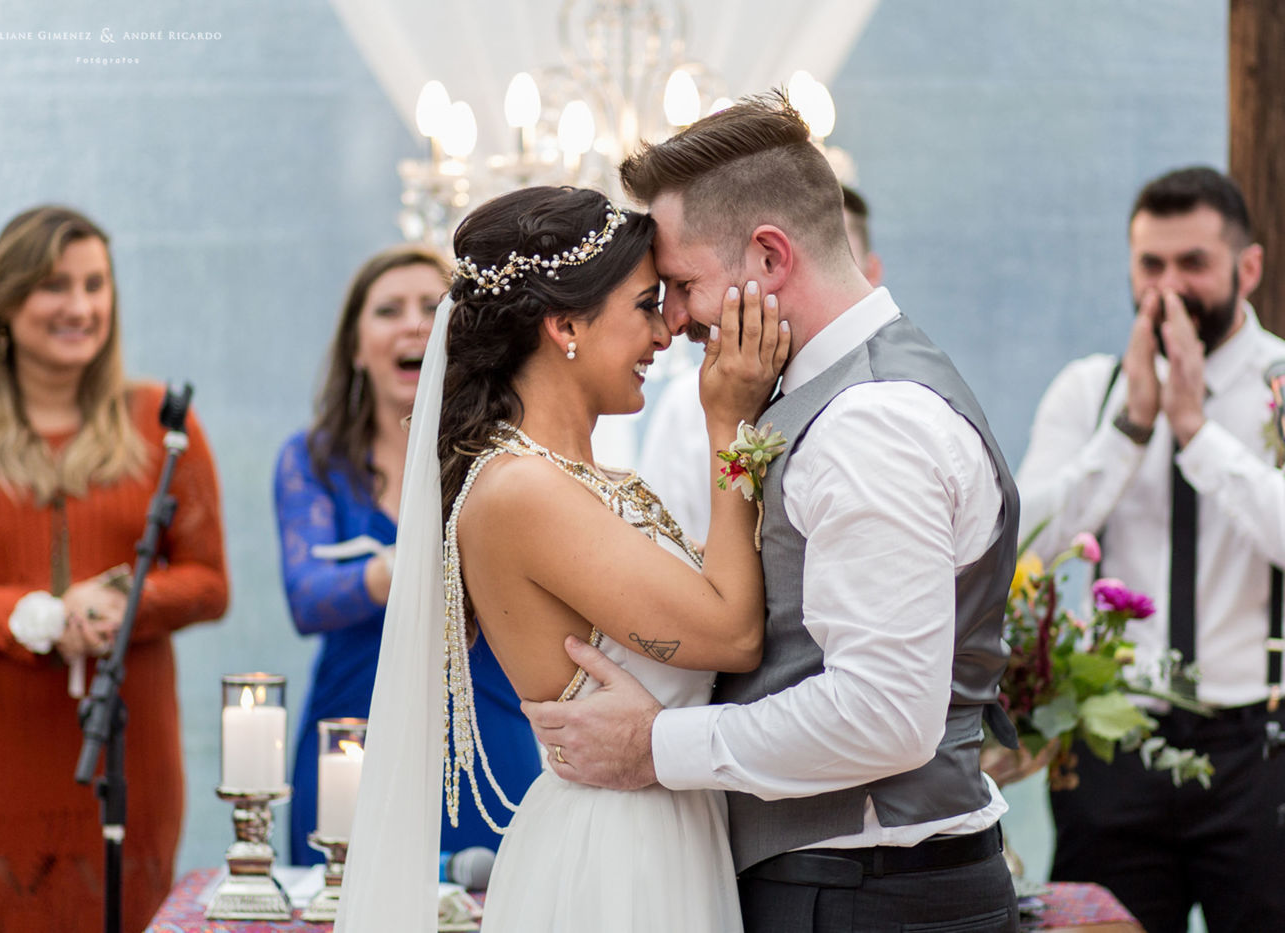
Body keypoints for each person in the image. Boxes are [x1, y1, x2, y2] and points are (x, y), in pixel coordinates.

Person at [522, 92, 1022, 933]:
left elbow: (884, 715)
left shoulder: (869, 424)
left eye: (684, 285)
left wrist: (653, 747)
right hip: (854, 888)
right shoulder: (826, 396)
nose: (673, 320)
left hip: (870, 898)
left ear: (768, 256)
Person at [335, 184, 790, 932]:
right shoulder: (520, 490)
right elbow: (733, 633)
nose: (666, 333)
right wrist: (728, 426)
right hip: (616, 858)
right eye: (645, 306)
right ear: (566, 324)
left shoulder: (588, 480)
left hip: (667, 833)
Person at [0, 205, 229, 932]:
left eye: (95, 285)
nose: (80, 306)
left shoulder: (162, 423)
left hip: (127, 762)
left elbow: (207, 581)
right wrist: (34, 616)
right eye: (54, 285)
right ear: (6, 301)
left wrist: (121, 604)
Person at [1015, 166, 1285, 932]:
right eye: (1150, 264)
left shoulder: (1281, 384)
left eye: (1193, 262)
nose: (1168, 287)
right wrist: (1129, 430)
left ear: (1248, 268)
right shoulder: (1090, 391)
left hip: (1261, 746)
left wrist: (1197, 433)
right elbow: (1026, 544)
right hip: (1114, 744)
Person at [273, 244, 540, 864]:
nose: (414, 324)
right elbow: (308, 598)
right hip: (353, 735)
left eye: (431, 307)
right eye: (388, 310)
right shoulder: (313, 460)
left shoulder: (506, 455)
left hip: (485, 733)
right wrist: (403, 568)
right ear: (355, 346)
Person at [639, 184, 884, 544]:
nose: (671, 322)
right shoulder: (686, 403)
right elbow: (672, 550)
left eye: (685, 284)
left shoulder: (872, 417)